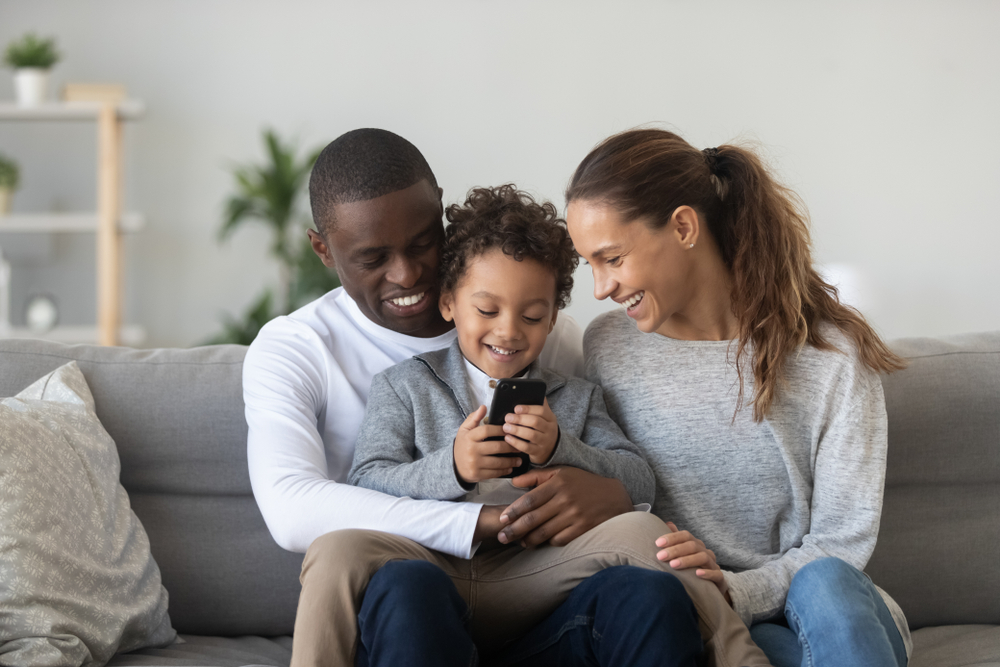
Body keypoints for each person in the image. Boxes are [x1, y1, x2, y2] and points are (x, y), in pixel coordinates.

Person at [243, 130, 757, 667]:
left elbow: (632, 479)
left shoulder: (566, 375)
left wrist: (572, 459)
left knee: (647, 533)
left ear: (552, 317)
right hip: (426, 568)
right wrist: (455, 471)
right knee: (338, 549)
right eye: (374, 256)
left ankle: (744, 658)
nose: (510, 333)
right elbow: (345, 488)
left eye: (532, 317)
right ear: (452, 304)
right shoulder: (382, 376)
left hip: (534, 574)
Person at [557, 127, 913, 667]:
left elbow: (843, 541)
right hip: (713, 618)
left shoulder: (830, 355)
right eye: (590, 264)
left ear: (682, 227)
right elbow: (619, 492)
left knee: (824, 582)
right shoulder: (609, 347)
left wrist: (741, 587)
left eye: (612, 258)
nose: (601, 287)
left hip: (839, 616)